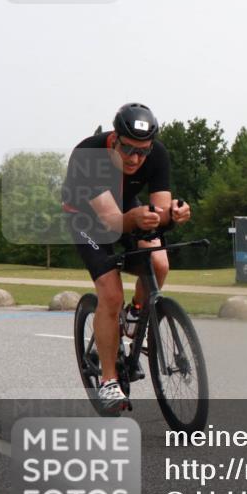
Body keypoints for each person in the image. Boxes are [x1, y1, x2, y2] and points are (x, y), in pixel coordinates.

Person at [62, 103, 190, 413]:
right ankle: (108, 381)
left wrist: (174, 215)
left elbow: (159, 211)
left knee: (159, 262)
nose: (135, 159)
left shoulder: (156, 154)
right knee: (110, 292)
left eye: (142, 152)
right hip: (88, 217)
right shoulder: (88, 154)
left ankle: (136, 312)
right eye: (128, 149)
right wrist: (137, 218)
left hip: (125, 209)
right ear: (114, 139)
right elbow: (110, 221)